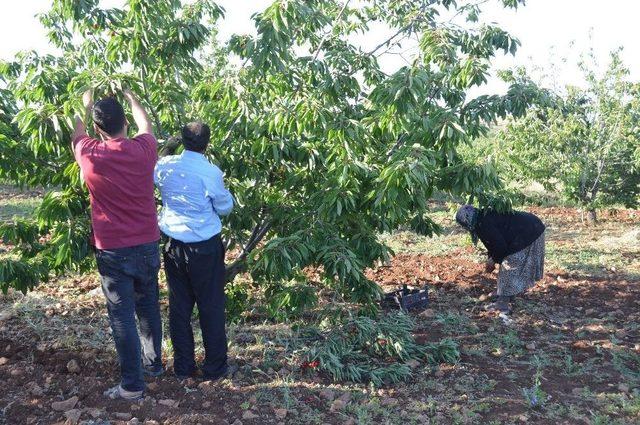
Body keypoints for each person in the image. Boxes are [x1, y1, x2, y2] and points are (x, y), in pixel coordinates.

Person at [72, 88, 163, 400]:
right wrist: (133, 97)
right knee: (148, 305)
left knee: (122, 315)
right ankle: (153, 365)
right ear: (125, 121)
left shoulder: (90, 154)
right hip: (148, 242)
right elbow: (146, 126)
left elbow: (78, 131)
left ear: (98, 129)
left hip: (113, 249)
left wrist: (85, 104)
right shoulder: (144, 149)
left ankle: (132, 385)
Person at [154, 122, 235, 380]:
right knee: (210, 306)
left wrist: (166, 148)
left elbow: (154, 177)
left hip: (174, 246)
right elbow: (224, 208)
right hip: (204, 248)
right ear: (207, 143)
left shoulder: (164, 166)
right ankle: (214, 368)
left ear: (182, 140)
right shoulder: (210, 172)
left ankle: (183, 366)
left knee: (180, 306)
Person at [455, 205, 546, 314]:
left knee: (509, 264)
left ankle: (502, 304)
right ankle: (507, 293)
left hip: (530, 231)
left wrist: (493, 260)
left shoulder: (484, 223)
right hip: (530, 225)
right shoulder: (481, 219)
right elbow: (491, 243)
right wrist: (491, 258)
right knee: (508, 261)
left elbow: (500, 246)